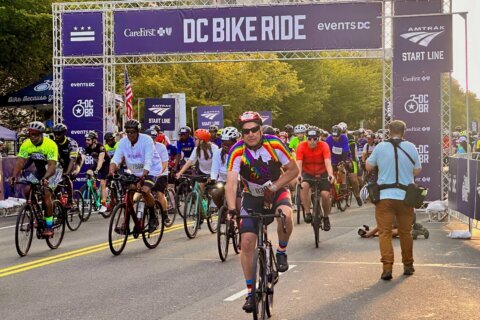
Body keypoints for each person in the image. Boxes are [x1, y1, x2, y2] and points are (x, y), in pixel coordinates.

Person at [225, 111, 298, 313]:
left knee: (285, 215)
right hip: (251, 197)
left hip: (276, 190)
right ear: (242, 133)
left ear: (260, 129)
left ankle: (281, 251)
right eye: (246, 131)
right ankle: (250, 292)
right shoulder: (236, 151)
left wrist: (274, 187)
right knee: (246, 242)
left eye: (254, 129)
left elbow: (293, 171)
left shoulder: (274, 144)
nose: (250, 134)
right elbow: (230, 184)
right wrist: (232, 209)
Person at [366, 120, 422, 281]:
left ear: (388, 131)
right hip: (406, 197)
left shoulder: (381, 147)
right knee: (406, 232)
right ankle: (408, 265)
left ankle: (387, 268)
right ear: (404, 131)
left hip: (385, 197)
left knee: (385, 233)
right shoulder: (411, 147)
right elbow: (417, 169)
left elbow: (369, 167)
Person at [109, 119, 163, 233]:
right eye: (127, 132)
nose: (130, 134)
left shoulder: (146, 140)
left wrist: (143, 177)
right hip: (134, 171)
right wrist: (111, 171)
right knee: (130, 193)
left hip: (151, 169)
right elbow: (116, 158)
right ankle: (126, 225)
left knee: (144, 190)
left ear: (138, 131)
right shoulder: (123, 142)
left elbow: (148, 161)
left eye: (132, 132)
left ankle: (153, 217)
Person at [10, 121, 60, 237]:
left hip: (53, 171)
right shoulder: (27, 144)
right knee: (27, 189)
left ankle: (49, 226)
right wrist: (14, 176)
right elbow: (20, 162)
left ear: (41, 134)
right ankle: (37, 213)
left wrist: (46, 178)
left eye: (35, 135)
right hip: (40, 170)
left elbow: (52, 166)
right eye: (30, 135)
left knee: (46, 194)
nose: (32, 137)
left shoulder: (50, 144)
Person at [296, 126, 334, 228]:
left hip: (322, 173)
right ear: (306, 138)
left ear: (319, 138)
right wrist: (299, 175)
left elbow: (327, 162)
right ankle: (308, 213)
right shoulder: (301, 146)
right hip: (307, 173)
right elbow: (299, 163)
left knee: (325, 195)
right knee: (303, 186)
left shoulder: (324, 146)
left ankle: (326, 217)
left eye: (315, 139)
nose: (312, 141)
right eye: (309, 139)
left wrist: (330, 174)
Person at [326, 125, 362, 206]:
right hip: (333, 159)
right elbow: (326, 151)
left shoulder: (344, 138)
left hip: (346, 157)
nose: (335, 138)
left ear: (340, 134)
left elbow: (345, 151)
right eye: (333, 136)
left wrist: (343, 161)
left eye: (337, 136)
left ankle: (357, 195)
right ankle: (334, 193)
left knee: (353, 180)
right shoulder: (328, 139)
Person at [52, 124, 84, 206]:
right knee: (56, 185)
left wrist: (67, 173)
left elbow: (73, 160)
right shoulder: (54, 143)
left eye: (59, 134)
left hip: (75, 161)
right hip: (63, 162)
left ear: (64, 133)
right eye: (55, 133)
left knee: (67, 177)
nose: (56, 136)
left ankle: (71, 199)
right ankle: (59, 198)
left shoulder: (71, 143)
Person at [145, 128, 170, 225]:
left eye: (153, 138)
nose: (152, 140)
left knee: (160, 194)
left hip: (161, 174)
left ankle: (165, 214)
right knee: (143, 193)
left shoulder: (161, 147)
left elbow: (164, 163)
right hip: (148, 173)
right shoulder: (142, 147)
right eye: (149, 138)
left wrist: (159, 173)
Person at [210, 126, 239, 208]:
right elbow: (214, 168)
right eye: (223, 143)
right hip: (222, 180)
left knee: (238, 203)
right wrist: (213, 179)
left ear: (235, 142)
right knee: (215, 194)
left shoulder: (240, 153)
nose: (226, 146)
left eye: (228, 144)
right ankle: (221, 211)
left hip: (237, 181)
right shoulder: (218, 153)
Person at [84, 131, 111, 212]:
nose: (86, 141)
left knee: (103, 183)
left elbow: (100, 160)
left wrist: (97, 170)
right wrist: (76, 169)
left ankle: (103, 205)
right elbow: (81, 159)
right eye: (86, 139)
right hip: (97, 164)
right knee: (89, 173)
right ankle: (95, 191)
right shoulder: (88, 148)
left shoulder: (101, 147)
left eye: (88, 140)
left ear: (94, 140)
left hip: (105, 164)